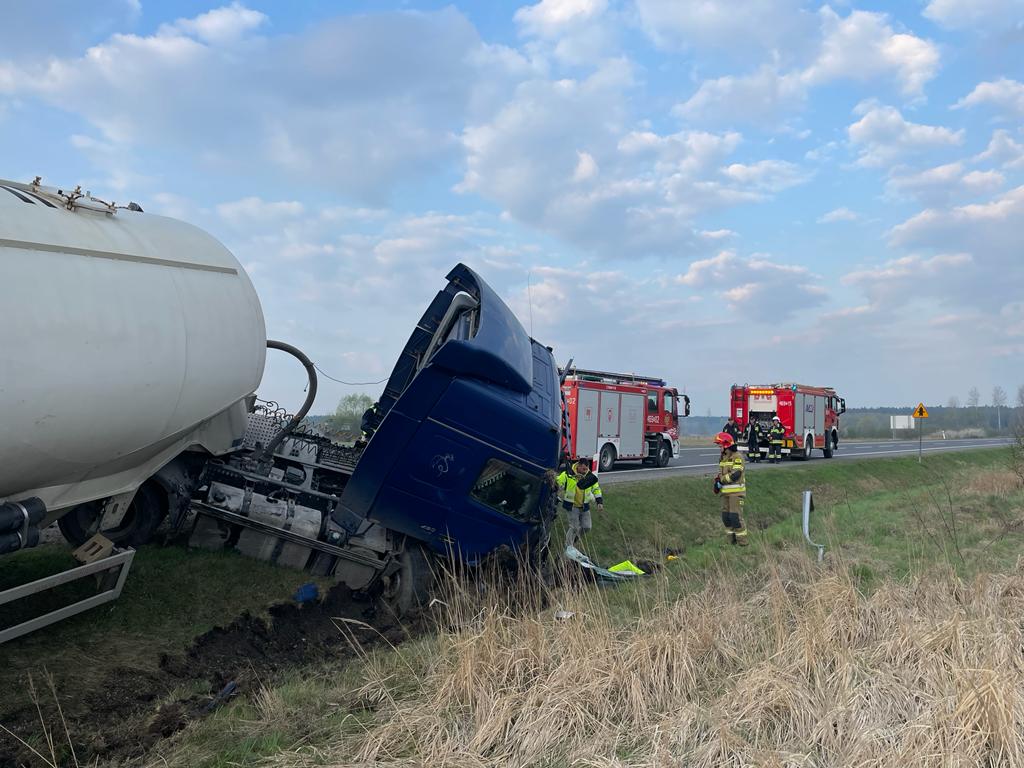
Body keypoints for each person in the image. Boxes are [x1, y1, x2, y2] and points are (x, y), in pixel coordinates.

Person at [556, 457, 604, 550]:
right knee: (574, 527)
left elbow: (596, 489)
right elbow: (558, 481)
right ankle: (568, 547)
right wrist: (555, 484)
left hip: (584, 506)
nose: (585, 471)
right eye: (583, 469)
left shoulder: (589, 477)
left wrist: (599, 502)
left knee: (587, 527)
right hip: (572, 505)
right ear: (578, 466)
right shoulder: (568, 474)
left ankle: (574, 540)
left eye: (587, 469)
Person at [713, 432, 748, 546]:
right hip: (725, 494)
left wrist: (721, 480)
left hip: (736, 493)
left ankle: (743, 543)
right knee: (726, 518)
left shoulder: (737, 457)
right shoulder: (723, 458)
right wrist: (717, 482)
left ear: (726, 445)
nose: (719, 448)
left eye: (720, 446)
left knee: (735, 518)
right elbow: (720, 473)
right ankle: (730, 543)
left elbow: (735, 474)